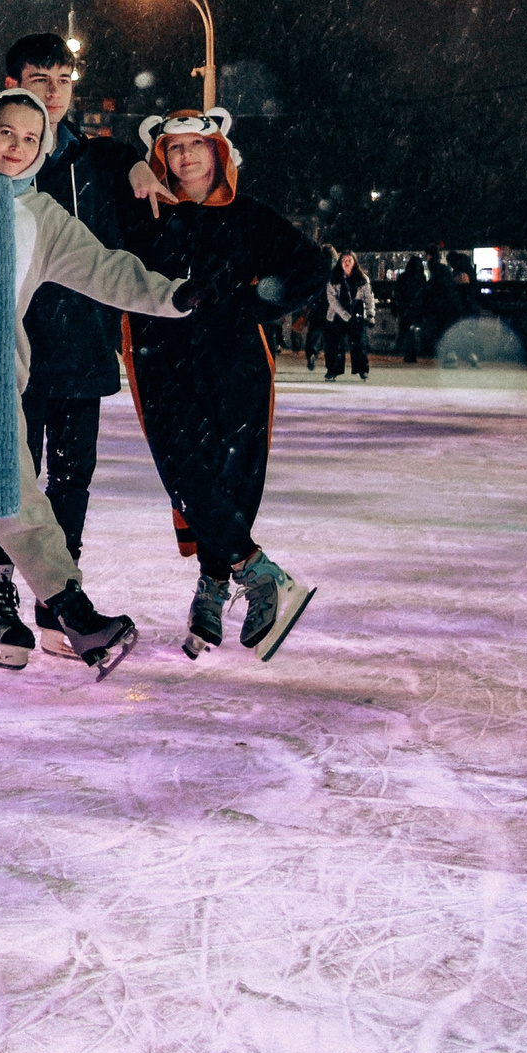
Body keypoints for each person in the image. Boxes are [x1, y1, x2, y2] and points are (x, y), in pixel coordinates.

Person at [0, 90, 196, 679]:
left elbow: (106, 268)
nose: (17, 147)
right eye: (7, 133)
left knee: (19, 504)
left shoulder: (43, 218)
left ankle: (73, 615)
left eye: (31, 139)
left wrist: (169, 295)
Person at [119, 110, 328, 662]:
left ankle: (214, 584)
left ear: (219, 152)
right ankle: (258, 573)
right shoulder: (146, 212)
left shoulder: (250, 217)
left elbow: (311, 267)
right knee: (184, 470)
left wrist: (254, 304)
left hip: (236, 359)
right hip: (161, 361)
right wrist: (135, 173)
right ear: (160, 155)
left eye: (197, 145)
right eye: (176, 147)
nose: (186, 157)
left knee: (233, 470)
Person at [322, 249, 374, 380]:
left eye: (349, 260)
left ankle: (362, 369)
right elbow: (332, 300)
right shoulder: (334, 279)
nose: (346, 263)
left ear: (354, 262)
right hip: (337, 315)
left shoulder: (362, 279)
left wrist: (370, 314)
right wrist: (345, 316)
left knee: (358, 343)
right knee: (335, 344)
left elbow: (368, 297)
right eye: (344, 260)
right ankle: (332, 370)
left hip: (356, 312)